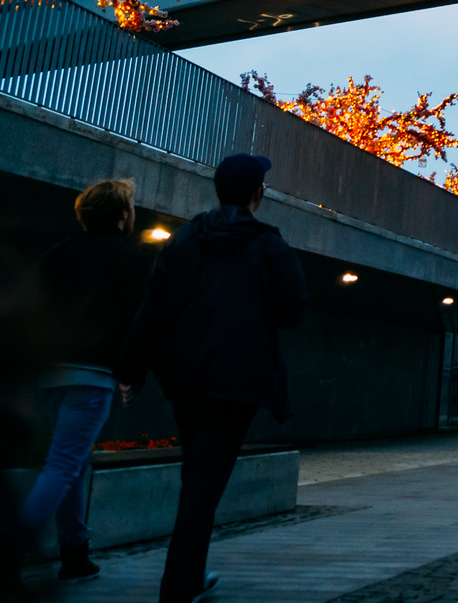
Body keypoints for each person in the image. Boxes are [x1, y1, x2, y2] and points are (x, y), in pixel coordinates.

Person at [116, 155, 307, 603]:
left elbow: (153, 308)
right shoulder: (268, 244)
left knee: (198, 476)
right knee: (204, 481)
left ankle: (188, 575)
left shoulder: (185, 239)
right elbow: (294, 305)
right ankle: (180, 584)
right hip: (237, 381)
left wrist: (131, 369)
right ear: (258, 193)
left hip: (185, 377)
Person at [19, 178, 153, 583]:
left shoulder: (56, 255)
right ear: (121, 214)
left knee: (72, 463)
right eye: (130, 207)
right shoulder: (129, 258)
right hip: (91, 375)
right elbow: (139, 322)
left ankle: (75, 552)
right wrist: (132, 373)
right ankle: (4, 558)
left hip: (50, 373)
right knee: (63, 464)